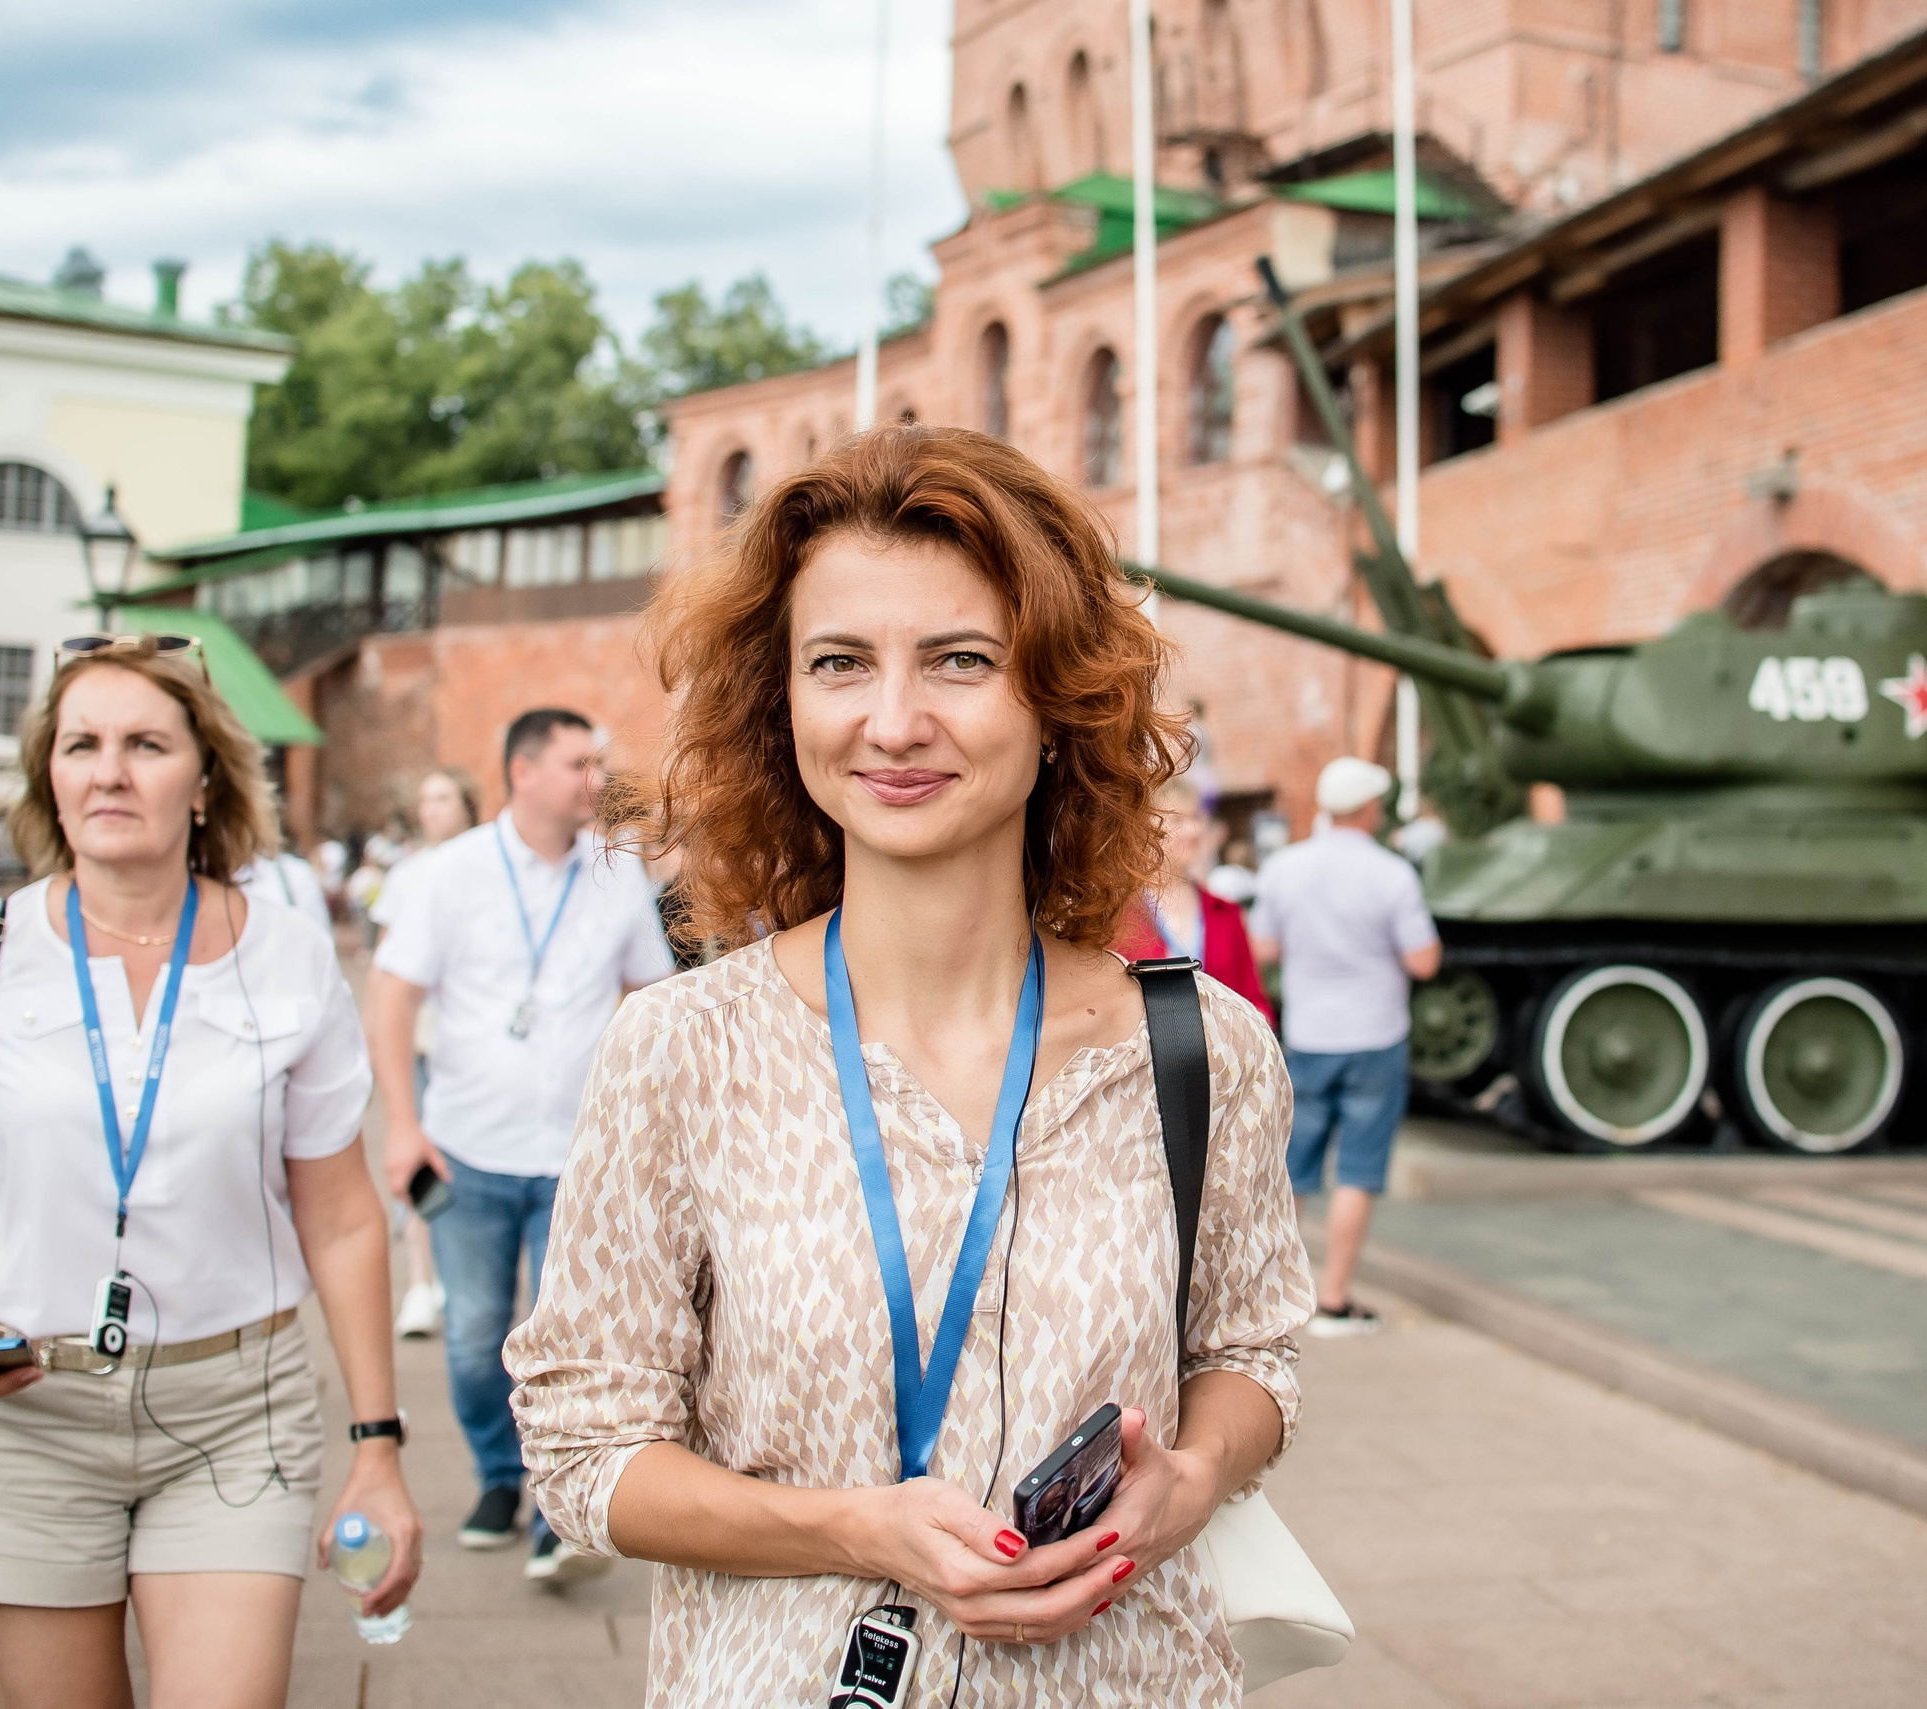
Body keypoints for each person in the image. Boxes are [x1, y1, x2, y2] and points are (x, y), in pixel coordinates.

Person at [508, 426, 1314, 1702]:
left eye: (960, 661)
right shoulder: (682, 1048)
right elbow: (585, 1447)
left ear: (1056, 699)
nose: (893, 721)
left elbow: (1254, 1354)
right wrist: (852, 1526)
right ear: (781, 704)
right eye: (839, 662)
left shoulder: (1202, 1045)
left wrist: (1196, 1475)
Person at [0, 635, 419, 1708]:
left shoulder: (286, 953)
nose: (109, 770)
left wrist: (378, 1443)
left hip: (232, 1407)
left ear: (206, 776)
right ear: (50, 775)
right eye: (81, 743)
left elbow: (344, 1213)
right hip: (20, 1406)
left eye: (144, 743)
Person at [368, 710, 675, 1587]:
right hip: (468, 1144)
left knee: (560, 1340)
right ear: (523, 770)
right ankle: (497, 1476)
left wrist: (637, 1122)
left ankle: (553, 1509)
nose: (596, 775)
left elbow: (648, 995)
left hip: (577, 1155)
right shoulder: (449, 874)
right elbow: (391, 999)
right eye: (580, 761)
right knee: (470, 1339)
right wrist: (401, 1122)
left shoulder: (615, 876)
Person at [1251, 756, 1440, 1337]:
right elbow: (1423, 960)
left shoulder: (1285, 868)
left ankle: (1271, 1301)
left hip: (1308, 1033)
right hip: (1374, 1035)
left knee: (1292, 1169)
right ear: (1369, 809)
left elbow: (1263, 948)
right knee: (1357, 1169)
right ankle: (1334, 1300)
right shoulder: (1393, 874)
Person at [368, 766, 483, 1341]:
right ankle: (420, 1281)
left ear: (467, 804)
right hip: (424, 1039)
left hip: (477, 1044)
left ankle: (471, 1278)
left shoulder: (494, 867)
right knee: (422, 1161)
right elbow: (385, 970)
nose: (432, 809)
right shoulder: (410, 875)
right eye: (425, 800)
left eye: (443, 797)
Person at [1115, 777, 1273, 1023]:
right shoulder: (1119, 915)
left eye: (1196, 818)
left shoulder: (1225, 913)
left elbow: (1255, 1001)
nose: (1193, 831)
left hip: (1222, 1057)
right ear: (1146, 830)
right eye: (1177, 820)